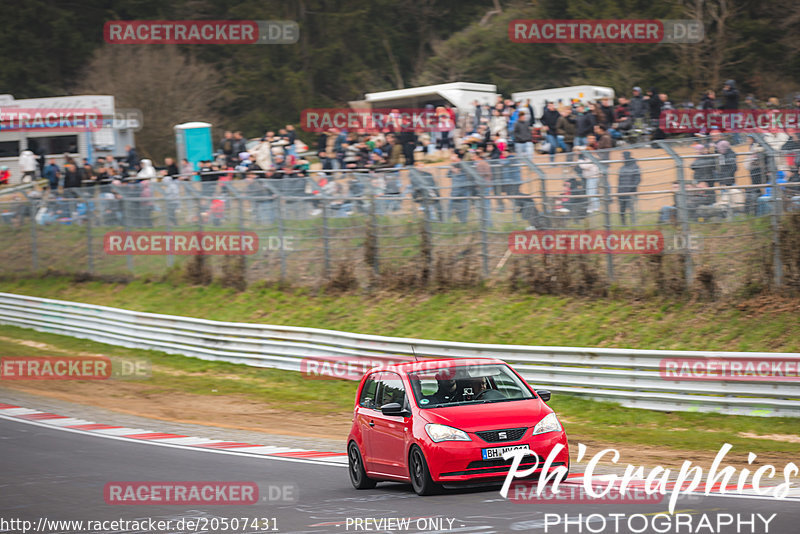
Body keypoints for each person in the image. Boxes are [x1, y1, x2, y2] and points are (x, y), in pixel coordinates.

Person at [618, 151, 641, 225]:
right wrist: (618, 191)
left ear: (626, 157)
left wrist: (631, 189)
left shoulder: (635, 166)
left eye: (622, 157)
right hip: (621, 192)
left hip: (631, 192)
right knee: (622, 210)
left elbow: (638, 179)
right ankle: (623, 224)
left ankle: (634, 224)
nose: (621, 158)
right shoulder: (622, 168)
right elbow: (619, 180)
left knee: (631, 209)